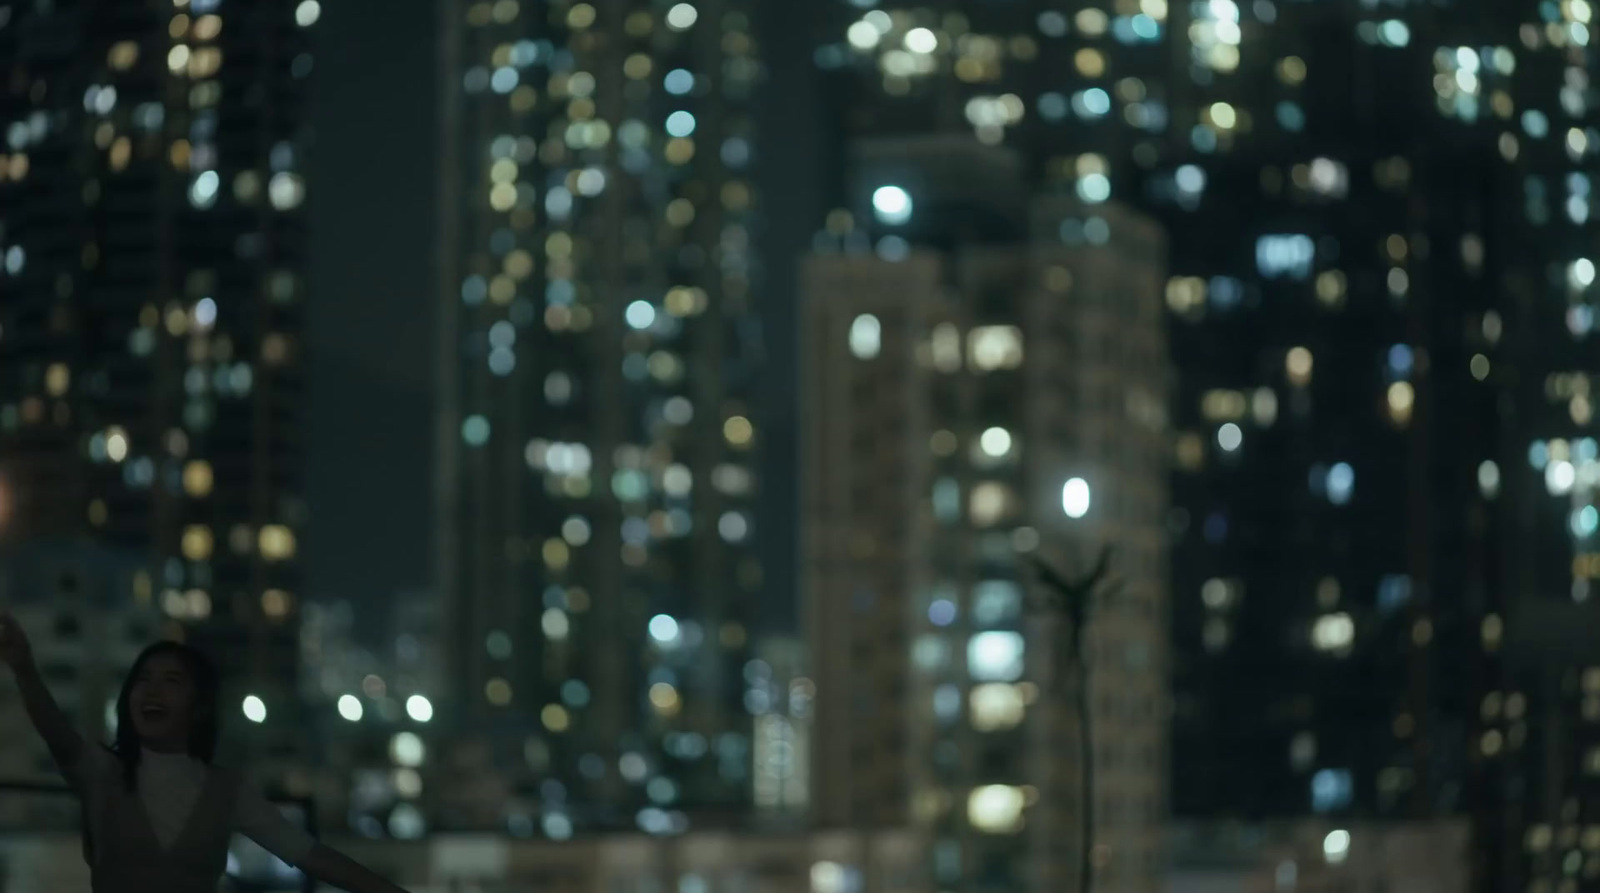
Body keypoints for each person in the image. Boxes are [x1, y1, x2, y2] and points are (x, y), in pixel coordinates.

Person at [0, 610, 414, 893]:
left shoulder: (225, 790)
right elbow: (55, 730)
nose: (153, 690)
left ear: (198, 708)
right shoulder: (102, 772)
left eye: (172, 681)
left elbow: (310, 855)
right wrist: (24, 668)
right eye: (144, 679)